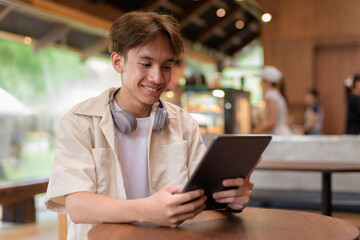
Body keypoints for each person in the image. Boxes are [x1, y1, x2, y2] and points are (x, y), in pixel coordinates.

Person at [45, 11, 255, 239]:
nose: (157, 78)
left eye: (167, 66)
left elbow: (203, 195)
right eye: (145, 64)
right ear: (118, 62)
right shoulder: (80, 121)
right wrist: (147, 210)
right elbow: (77, 206)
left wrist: (233, 199)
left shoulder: (184, 124)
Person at [252, 65, 292, 135]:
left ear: (268, 82)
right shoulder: (276, 94)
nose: (260, 83)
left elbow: (272, 122)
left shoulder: (271, 95)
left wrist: (256, 131)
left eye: (262, 81)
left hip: (278, 134)